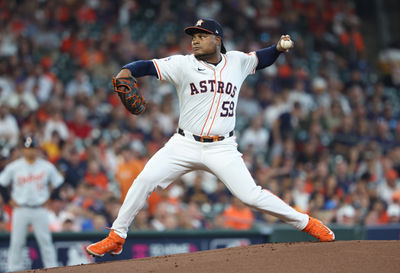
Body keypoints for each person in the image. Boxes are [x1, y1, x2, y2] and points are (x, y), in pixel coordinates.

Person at [87, 18, 334, 257]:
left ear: (217, 40)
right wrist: (125, 71)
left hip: (222, 147)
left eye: (201, 36)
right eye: (193, 37)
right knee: (145, 180)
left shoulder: (236, 61)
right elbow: (147, 66)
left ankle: (307, 224)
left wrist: (278, 48)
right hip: (184, 143)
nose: (195, 41)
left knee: (250, 195)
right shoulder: (182, 64)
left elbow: (262, 58)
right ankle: (117, 237)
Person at [0, 135, 64, 271]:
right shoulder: (15, 167)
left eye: (33, 148)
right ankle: (13, 269)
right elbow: (2, 182)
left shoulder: (46, 166)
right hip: (21, 209)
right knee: (16, 243)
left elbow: (58, 183)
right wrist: (7, 200)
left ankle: (52, 268)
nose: (31, 151)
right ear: (23, 149)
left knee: (45, 242)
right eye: (28, 148)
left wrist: (51, 198)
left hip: (39, 208)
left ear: (37, 149)